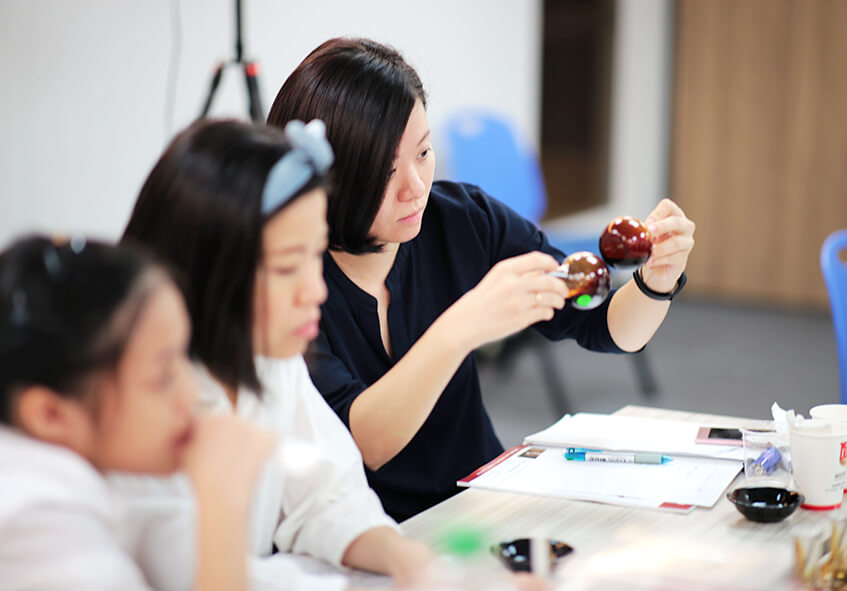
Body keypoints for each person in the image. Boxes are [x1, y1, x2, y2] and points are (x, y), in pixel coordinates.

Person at [267, 37, 697, 521]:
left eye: (424, 152)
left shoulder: (463, 219)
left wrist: (656, 281)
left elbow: (603, 325)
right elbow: (364, 442)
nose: (415, 187)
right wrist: (462, 327)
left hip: (482, 498)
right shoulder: (288, 286)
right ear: (329, 180)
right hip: (368, 531)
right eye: (386, 171)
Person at [120, 117, 433, 588]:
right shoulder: (141, 408)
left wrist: (407, 558)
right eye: (287, 267)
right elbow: (200, 574)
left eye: (315, 256)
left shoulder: (269, 359)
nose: (315, 291)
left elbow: (324, 495)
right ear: (207, 269)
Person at [0, 235, 273, 590]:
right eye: (162, 377)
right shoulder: (39, 534)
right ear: (50, 414)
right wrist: (224, 504)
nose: (192, 394)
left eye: (185, 357)